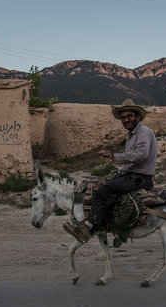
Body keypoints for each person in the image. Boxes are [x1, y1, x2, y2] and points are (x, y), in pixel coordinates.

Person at [63, 98, 157, 243]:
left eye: (129, 116)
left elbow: (141, 155)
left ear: (138, 117)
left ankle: (87, 229)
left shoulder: (143, 132)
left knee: (104, 191)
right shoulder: (132, 134)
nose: (126, 120)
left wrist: (115, 157)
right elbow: (131, 161)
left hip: (140, 178)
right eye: (123, 117)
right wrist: (118, 172)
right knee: (99, 183)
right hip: (132, 175)